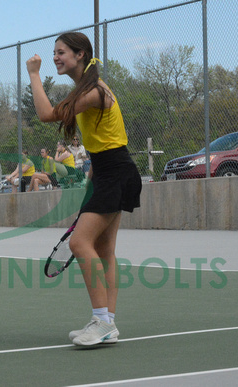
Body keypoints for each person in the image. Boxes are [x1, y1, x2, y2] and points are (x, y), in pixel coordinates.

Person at [26, 32, 142, 347]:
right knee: (104, 251)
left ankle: (102, 320)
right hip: (106, 172)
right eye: (53, 53)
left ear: (80, 55)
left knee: (79, 243)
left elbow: (46, 115)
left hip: (116, 172)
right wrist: (92, 176)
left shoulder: (95, 92)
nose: (55, 57)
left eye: (61, 52)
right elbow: (100, 142)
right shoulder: (86, 89)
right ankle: (107, 323)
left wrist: (34, 74)